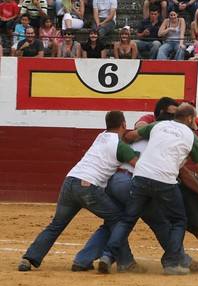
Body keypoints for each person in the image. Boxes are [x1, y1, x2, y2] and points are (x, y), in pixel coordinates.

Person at [97, 103, 198, 275]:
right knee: (178, 221)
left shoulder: (158, 125)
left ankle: (108, 256)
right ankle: (171, 262)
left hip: (139, 177)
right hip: (164, 181)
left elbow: (131, 135)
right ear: (190, 119)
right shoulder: (191, 136)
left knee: (127, 220)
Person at [17, 111, 139, 272]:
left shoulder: (100, 137)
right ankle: (126, 261)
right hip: (89, 188)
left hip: (70, 182)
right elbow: (139, 164)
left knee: (56, 225)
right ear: (124, 124)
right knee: (118, 220)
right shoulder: (119, 145)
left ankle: (28, 258)